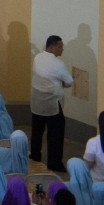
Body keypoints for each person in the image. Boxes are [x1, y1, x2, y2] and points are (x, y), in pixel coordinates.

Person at [31, 34, 73, 172]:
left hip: (37, 102)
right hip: (52, 104)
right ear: (51, 46)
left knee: (37, 131)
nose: (62, 49)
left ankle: (35, 155)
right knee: (55, 134)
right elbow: (69, 81)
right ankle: (54, 163)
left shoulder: (37, 57)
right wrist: (59, 82)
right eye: (60, 46)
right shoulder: (58, 64)